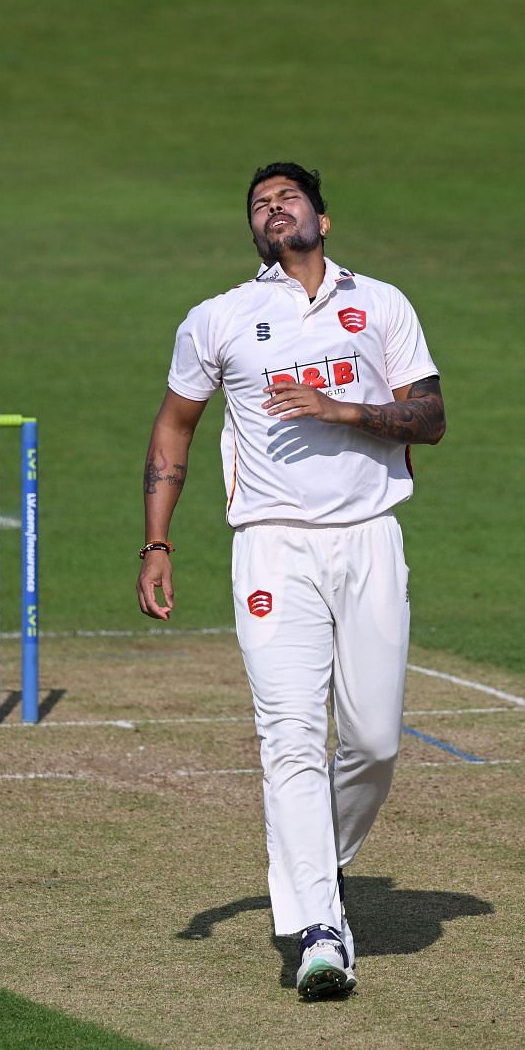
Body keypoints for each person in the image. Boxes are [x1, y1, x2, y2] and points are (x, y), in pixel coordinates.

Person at [137, 163, 446, 998]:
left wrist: (347, 411)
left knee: (375, 741)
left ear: (324, 218)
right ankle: (319, 929)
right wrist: (156, 542)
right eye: (259, 206)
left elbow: (432, 416)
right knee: (291, 737)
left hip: (371, 538)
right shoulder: (222, 317)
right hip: (272, 548)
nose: (274, 210)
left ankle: (317, 863)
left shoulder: (381, 303)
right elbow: (175, 424)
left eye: (288, 199)